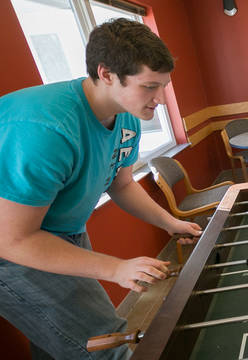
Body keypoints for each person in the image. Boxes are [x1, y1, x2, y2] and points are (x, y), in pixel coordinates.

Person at [0, 18, 201, 359]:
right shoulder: (44, 130)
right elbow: (13, 239)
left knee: (57, 341)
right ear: (107, 74)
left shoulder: (126, 114)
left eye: (163, 85)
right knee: (107, 345)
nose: (162, 100)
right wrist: (115, 268)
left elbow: (120, 183)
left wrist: (170, 222)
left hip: (57, 232)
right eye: (150, 87)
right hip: (12, 248)